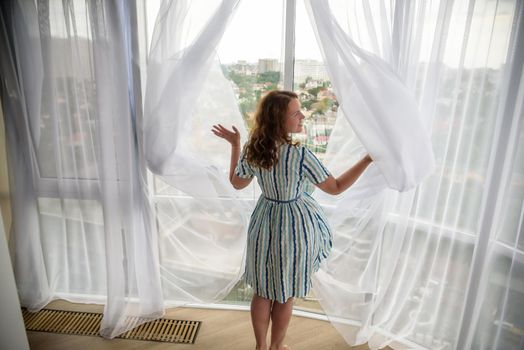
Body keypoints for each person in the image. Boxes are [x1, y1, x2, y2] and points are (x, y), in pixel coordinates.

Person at [212, 90, 372, 350]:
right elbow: (337, 187)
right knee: (284, 293)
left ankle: (260, 347)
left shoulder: (255, 149)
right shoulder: (300, 155)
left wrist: (235, 145)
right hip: (294, 228)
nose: (302, 116)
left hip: (264, 222)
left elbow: (236, 183)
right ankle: (276, 347)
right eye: (295, 113)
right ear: (279, 119)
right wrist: (366, 160)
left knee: (263, 291)